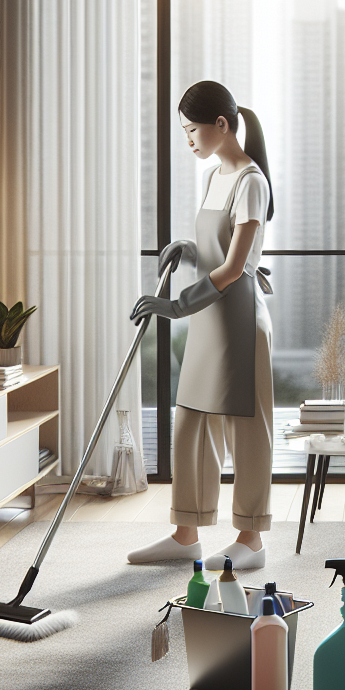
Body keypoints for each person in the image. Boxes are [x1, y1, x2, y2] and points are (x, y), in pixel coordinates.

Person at [126, 81, 274, 570]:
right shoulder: (215, 175)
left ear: (222, 125)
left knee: (245, 430)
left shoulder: (252, 181)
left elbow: (235, 268)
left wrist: (173, 306)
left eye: (193, 130)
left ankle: (250, 539)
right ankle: (186, 533)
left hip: (238, 320)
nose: (188, 139)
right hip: (209, 319)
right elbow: (215, 249)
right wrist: (185, 250)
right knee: (190, 422)